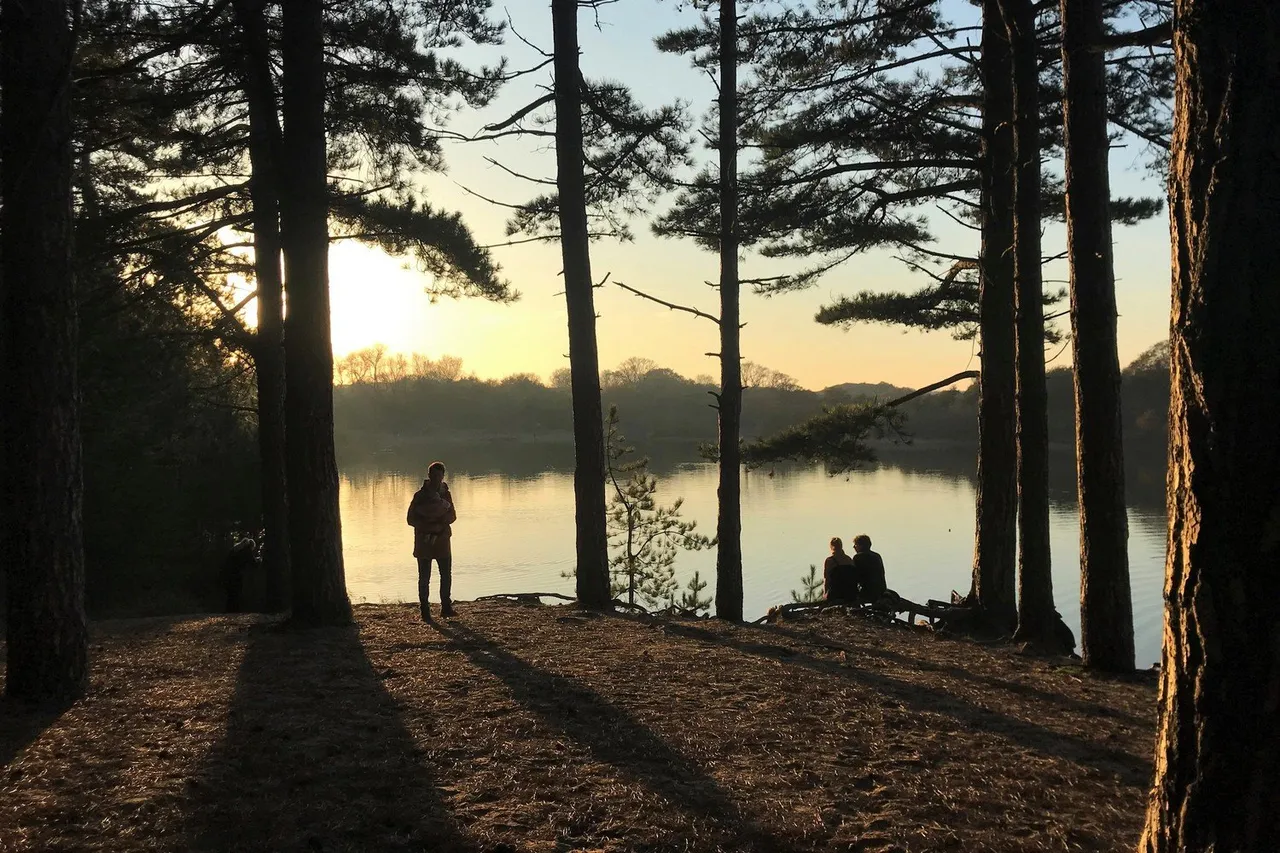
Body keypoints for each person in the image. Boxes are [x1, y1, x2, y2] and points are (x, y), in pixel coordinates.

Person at [406, 461, 457, 621]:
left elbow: (453, 516)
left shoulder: (446, 494)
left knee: (446, 575)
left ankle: (446, 608)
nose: (436, 478)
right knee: (424, 577)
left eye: (439, 475)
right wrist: (428, 524)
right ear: (429, 475)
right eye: (433, 475)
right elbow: (410, 519)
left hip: (442, 541)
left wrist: (440, 522)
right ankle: (425, 611)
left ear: (443, 476)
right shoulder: (419, 496)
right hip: (424, 543)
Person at [850, 533, 888, 604]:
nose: (854, 547)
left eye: (855, 545)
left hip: (867, 591)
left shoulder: (858, 557)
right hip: (881, 590)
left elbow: (855, 577)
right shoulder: (877, 556)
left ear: (861, 546)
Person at [822, 536, 858, 602]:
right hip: (850, 593)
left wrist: (825, 594)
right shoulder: (849, 559)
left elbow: (827, 579)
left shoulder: (830, 560)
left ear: (831, 547)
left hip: (836, 593)